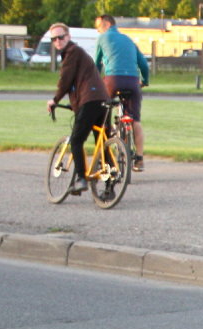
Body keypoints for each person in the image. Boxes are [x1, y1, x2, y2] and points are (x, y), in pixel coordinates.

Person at [46, 23, 109, 196]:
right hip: (103, 100)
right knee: (102, 143)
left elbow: (65, 80)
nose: (58, 41)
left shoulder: (72, 52)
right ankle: (110, 186)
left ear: (69, 37)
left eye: (61, 37)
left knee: (76, 140)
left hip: (90, 101)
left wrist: (55, 100)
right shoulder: (78, 53)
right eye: (54, 39)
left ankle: (81, 178)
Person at [94, 14, 149, 172]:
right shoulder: (129, 40)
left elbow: (96, 63)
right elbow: (143, 64)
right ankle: (139, 159)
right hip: (133, 81)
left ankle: (104, 155)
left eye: (98, 27)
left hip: (112, 80)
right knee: (135, 120)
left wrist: (95, 83)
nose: (98, 31)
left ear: (106, 24)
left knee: (102, 114)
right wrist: (144, 81)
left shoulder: (103, 38)